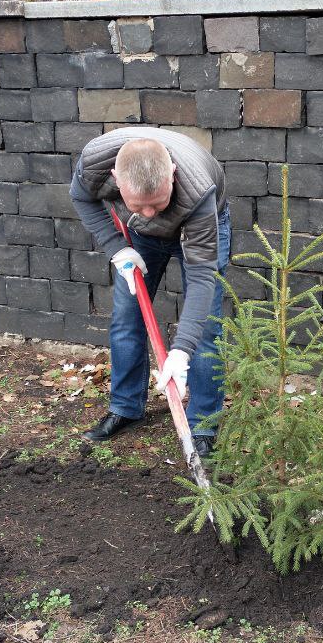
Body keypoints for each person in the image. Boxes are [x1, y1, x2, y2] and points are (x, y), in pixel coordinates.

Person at [69, 126, 230, 458]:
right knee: (127, 316)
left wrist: (180, 353)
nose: (149, 213)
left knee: (206, 330)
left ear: (172, 173)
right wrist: (117, 248)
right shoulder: (95, 163)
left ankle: (202, 426)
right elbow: (82, 198)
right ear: (115, 179)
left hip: (198, 227)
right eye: (138, 205)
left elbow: (202, 279)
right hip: (139, 237)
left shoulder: (198, 189)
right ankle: (126, 408)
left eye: (157, 203)